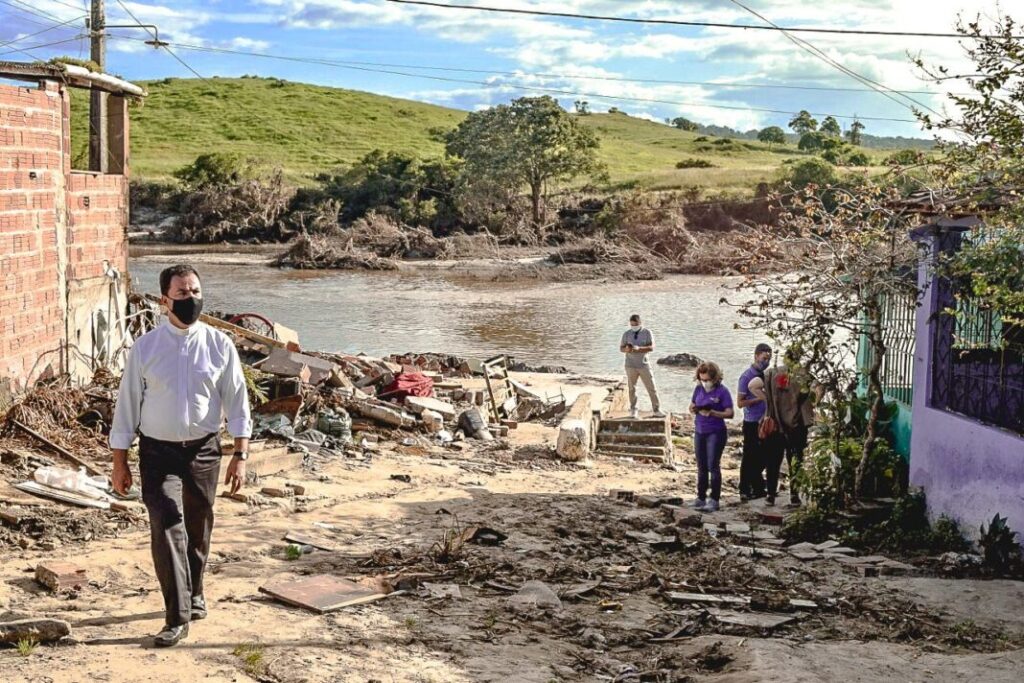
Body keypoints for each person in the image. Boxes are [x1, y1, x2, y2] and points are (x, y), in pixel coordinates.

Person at [110, 265, 252, 647]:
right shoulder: (145, 349)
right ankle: (177, 617)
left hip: (204, 451)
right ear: (164, 300)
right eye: (182, 293)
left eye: (195, 292)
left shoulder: (220, 345)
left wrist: (241, 453)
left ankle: (196, 589)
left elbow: (237, 401)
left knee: (198, 524)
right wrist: (119, 461)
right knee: (167, 523)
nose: (190, 299)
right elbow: (126, 407)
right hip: (157, 453)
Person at [761, 349, 816, 507]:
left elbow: (755, 386)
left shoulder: (770, 374)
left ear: (785, 358)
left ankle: (770, 495)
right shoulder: (804, 376)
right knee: (796, 461)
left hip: (775, 424)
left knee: (773, 461)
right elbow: (817, 391)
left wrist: (767, 406)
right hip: (796, 425)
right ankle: (794, 495)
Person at [688, 362, 734, 512]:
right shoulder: (699, 389)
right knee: (701, 466)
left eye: (707, 380)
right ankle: (700, 497)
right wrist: (694, 409)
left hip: (716, 431)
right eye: (702, 379)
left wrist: (713, 412)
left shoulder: (723, 392)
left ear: (714, 378)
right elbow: (692, 404)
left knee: (713, 465)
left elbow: (730, 413)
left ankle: (714, 499)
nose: (705, 383)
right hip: (700, 430)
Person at [736, 343, 772, 501]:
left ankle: (758, 487)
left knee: (765, 454)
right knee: (749, 455)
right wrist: (760, 398)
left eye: (768, 359)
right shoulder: (746, 376)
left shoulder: (767, 375)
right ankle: (744, 488)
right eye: (764, 358)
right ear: (756, 356)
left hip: (765, 420)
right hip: (751, 421)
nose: (766, 362)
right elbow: (740, 403)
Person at [619, 314, 665, 418]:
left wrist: (639, 349)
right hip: (630, 365)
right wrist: (626, 349)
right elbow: (621, 348)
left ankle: (656, 409)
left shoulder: (647, 333)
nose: (633, 326)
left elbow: (651, 347)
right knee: (632, 388)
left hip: (644, 364)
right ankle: (633, 410)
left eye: (635, 324)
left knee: (651, 387)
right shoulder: (626, 334)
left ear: (640, 323)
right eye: (631, 324)